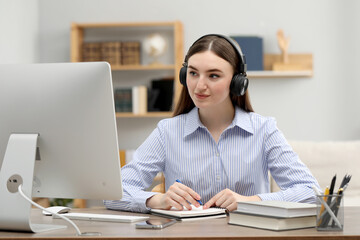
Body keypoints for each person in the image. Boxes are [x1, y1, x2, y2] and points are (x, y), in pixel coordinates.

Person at [104, 34, 320, 213]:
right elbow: (113, 192)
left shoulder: (264, 130)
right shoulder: (167, 132)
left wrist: (251, 201)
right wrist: (156, 200)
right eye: (193, 73)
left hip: (247, 235)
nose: (199, 86)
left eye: (213, 76)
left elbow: (311, 192)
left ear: (237, 83)